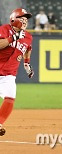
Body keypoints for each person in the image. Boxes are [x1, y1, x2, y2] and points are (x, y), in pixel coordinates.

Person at [0, 8, 34, 136]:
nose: (25, 21)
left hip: (8, 75)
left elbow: (28, 48)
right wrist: (13, 38)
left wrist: (27, 62)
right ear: (13, 19)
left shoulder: (28, 37)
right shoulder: (4, 29)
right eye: (22, 18)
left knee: (10, 97)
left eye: (26, 19)